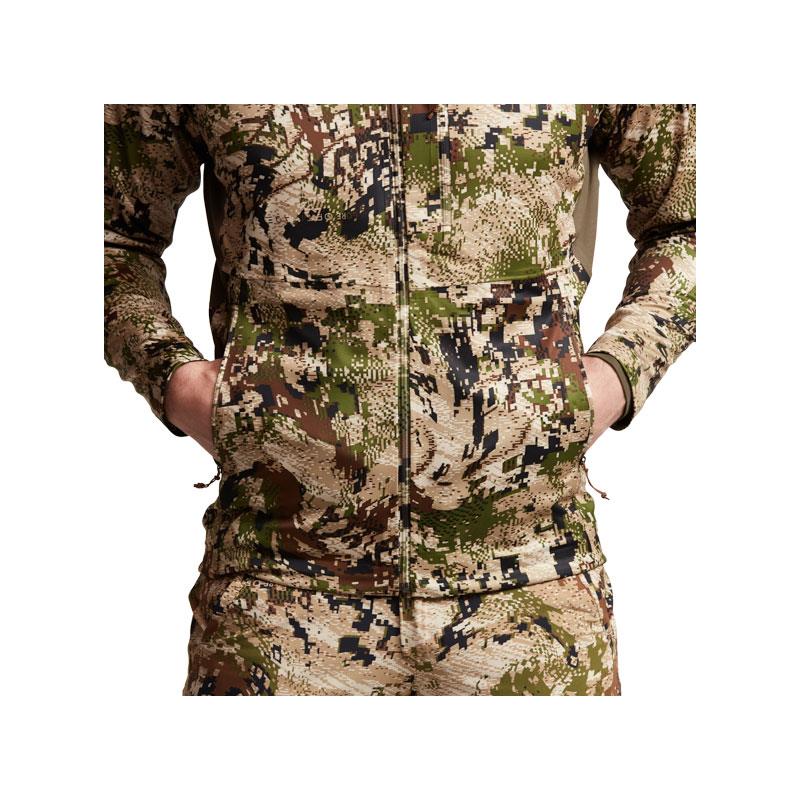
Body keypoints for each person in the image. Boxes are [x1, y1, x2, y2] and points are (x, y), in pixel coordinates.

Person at [104, 103, 696, 696]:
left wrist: (617, 374)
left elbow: (692, 224)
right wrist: (176, 380)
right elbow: (109, 236)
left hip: (534, 576)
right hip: (275, 586)